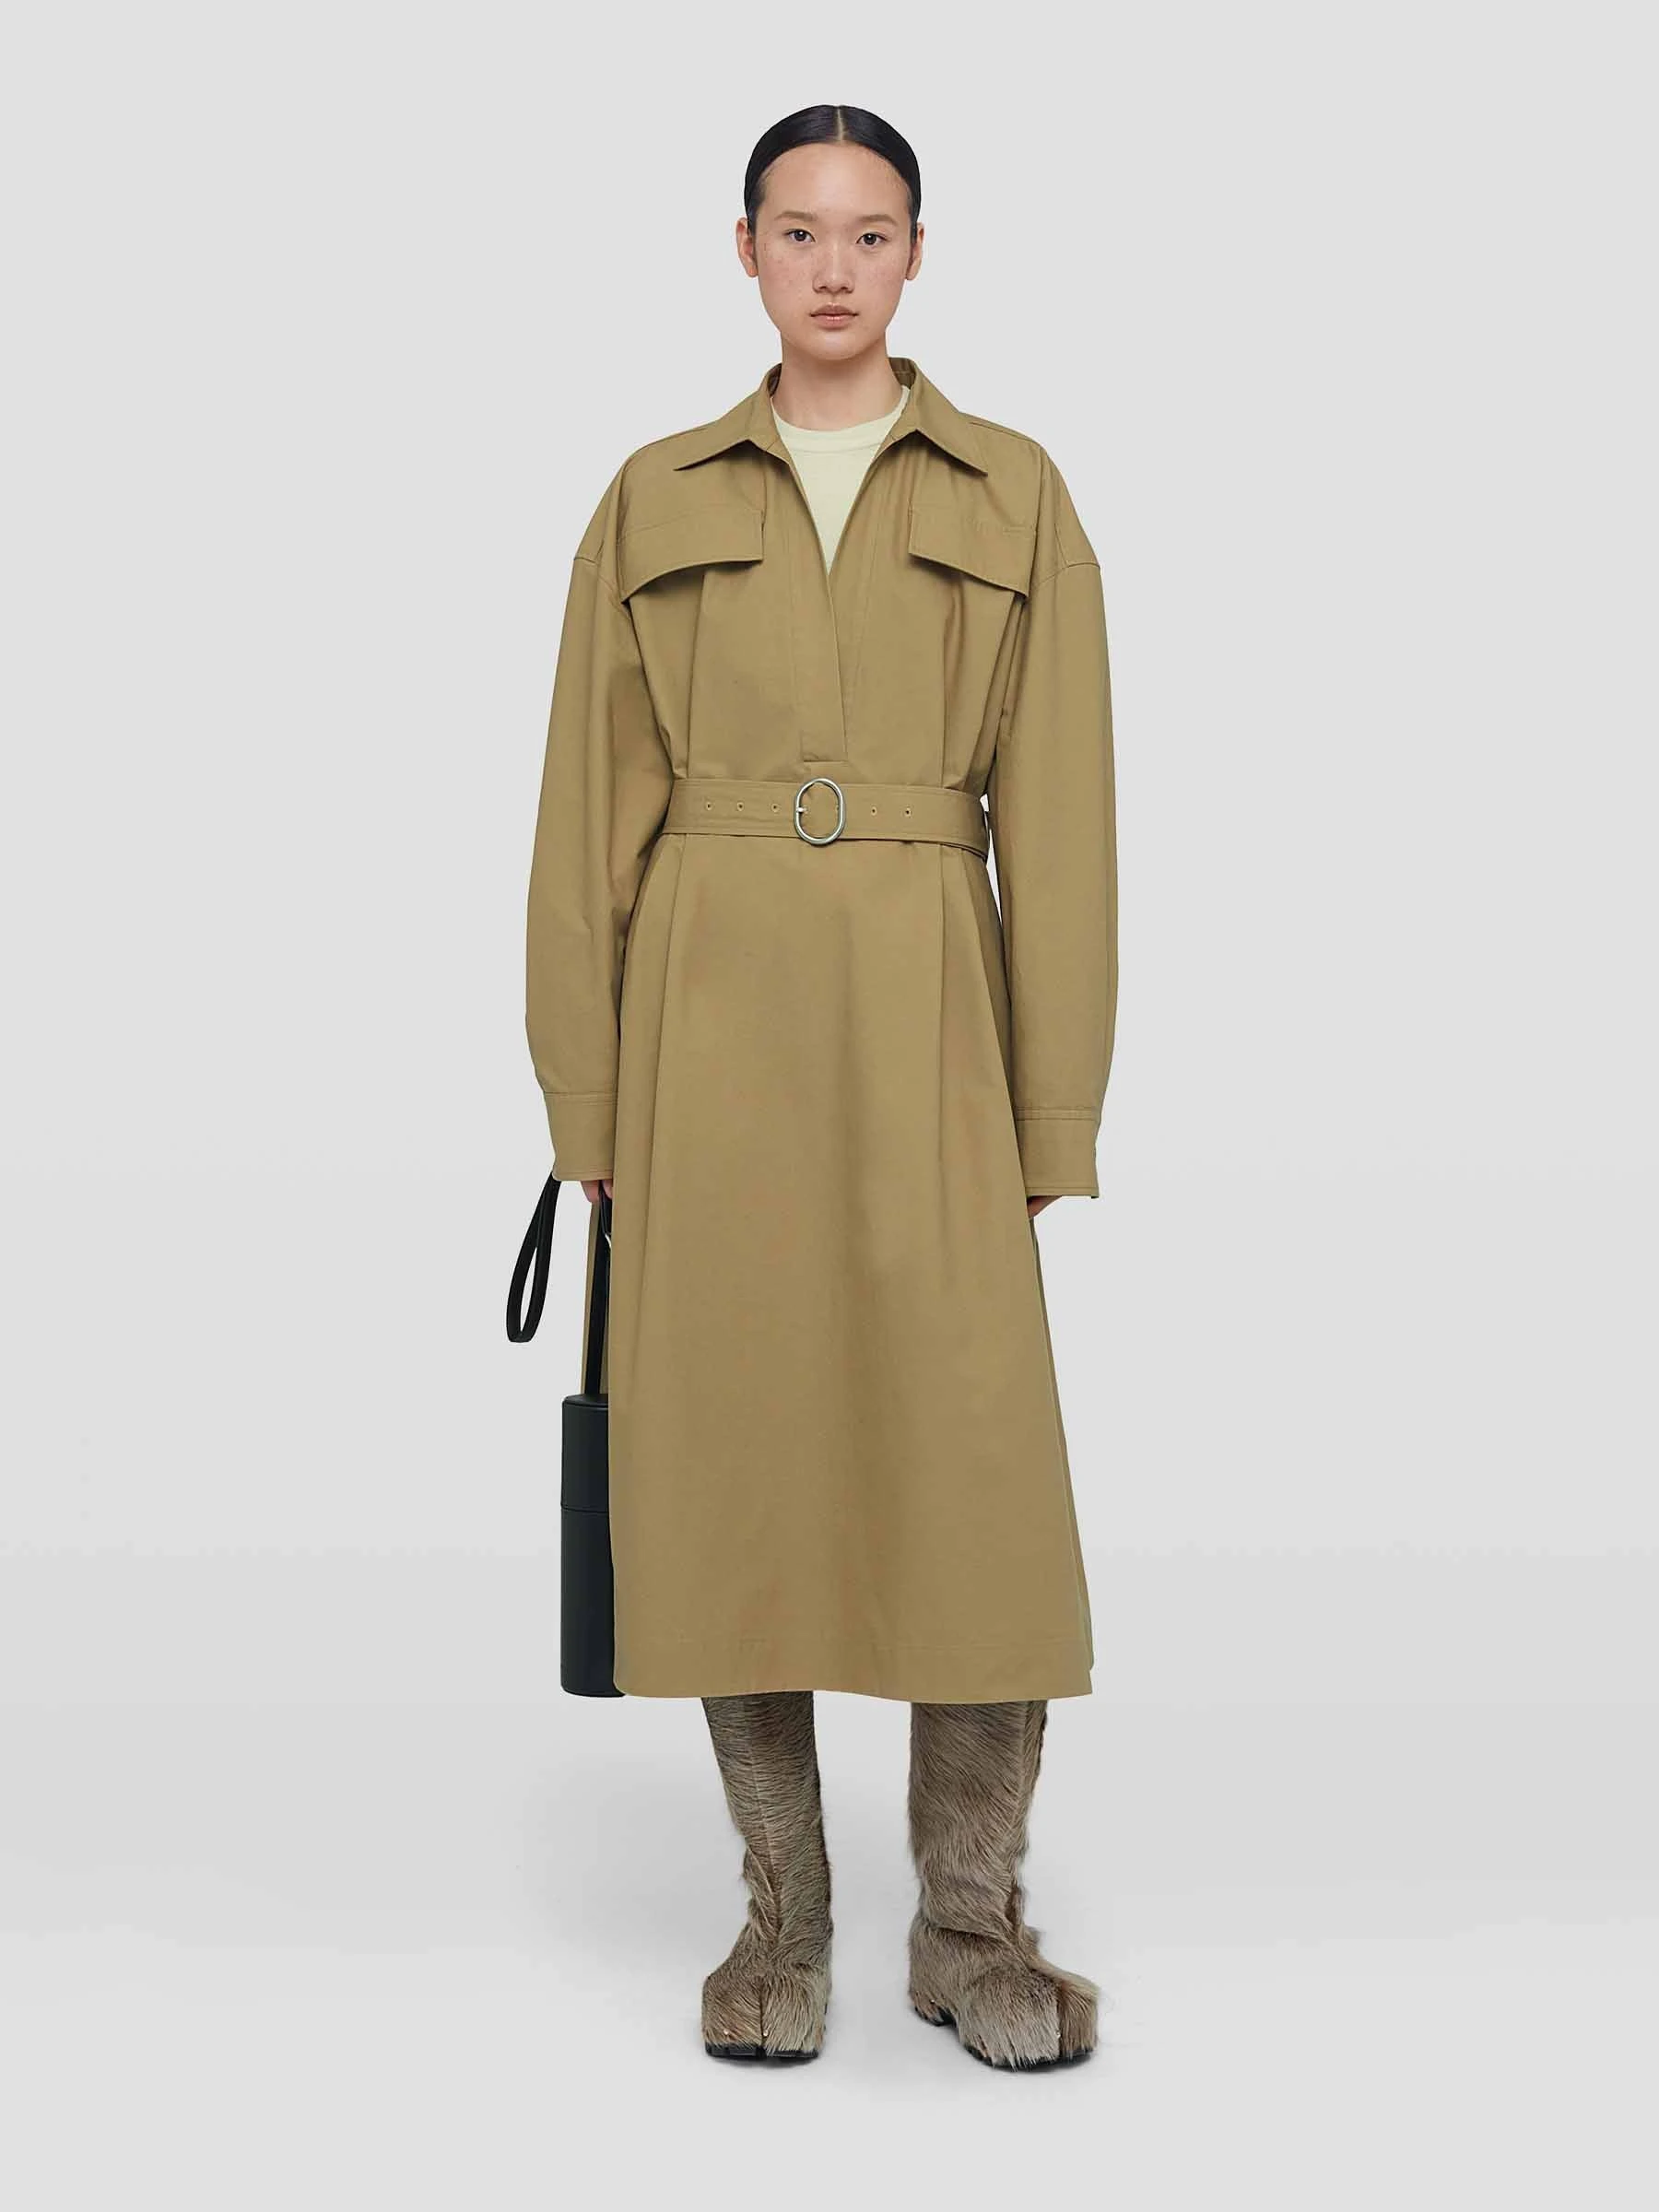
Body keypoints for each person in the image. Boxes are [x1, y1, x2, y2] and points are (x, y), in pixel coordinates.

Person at [524, 103, 1118, 2071]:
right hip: (709, 1027)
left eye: (871, 232)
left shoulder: (1015, 492)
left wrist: (1051, 1111)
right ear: (749, 251)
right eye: (800, 230)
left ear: (918, 252)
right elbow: (580, 828)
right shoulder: (652, 496)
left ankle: (971, 1922)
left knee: (974, 1472)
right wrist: (589, 1111)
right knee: (733, 1458)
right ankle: (781, 1919)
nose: (836, 267)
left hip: (935, 1021)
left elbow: (1065, 828)